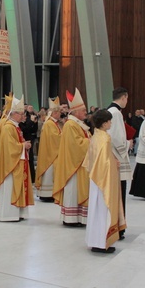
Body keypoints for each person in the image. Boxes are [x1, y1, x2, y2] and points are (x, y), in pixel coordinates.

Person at [83, 109, 126, 253]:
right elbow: (105, 163)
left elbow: (97, 158)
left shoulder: (96, 135)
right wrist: (114, 163)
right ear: (104, 123)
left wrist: (112, 160)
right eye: (109, 121)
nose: (111, 123)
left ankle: (94, 240)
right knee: (103, 209)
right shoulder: (105, 138)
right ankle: (102, 242)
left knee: (96, 209)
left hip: (96, 179)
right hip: (103, 180)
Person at [0, 96, 33, 221]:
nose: (23, 116)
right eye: (21, 113)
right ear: (13, 114)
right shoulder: (9, 126)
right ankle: (8, 214)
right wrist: (23, 146)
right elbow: (10, 147)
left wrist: (24, 145)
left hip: (16, 162)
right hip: (10, 165)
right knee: (9, 188)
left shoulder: (15, 126)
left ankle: (17, 213)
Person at [53, 89, 91, 226]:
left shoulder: (78, 124)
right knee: (73, 191)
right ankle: (71, 218)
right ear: (75, 112)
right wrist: (91, 141)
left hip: (80, 163)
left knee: (79, 190)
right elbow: (76, 145)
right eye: (83, 110)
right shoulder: (70, 125)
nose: (85, 112)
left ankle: (79, 217)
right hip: (73, 166)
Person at [107, 87, 131, 237]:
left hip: (112, 157)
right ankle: (118, 228)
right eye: (127, 99)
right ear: (123, 97)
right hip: (117, 159)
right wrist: (128, 144)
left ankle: (117, 226)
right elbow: (115, 138)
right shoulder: (115, 113)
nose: (127, 101)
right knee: (119, 193)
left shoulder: (111, 111)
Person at [34, 97, 61, 202]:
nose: (59, 114)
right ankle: (47, 194)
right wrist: (64, 135)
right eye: (58, 112)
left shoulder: (52, 122)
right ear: (54, 113)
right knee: (49, 173)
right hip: (50, 153)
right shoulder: (49, 123)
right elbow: (55, 138)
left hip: (50, 150)